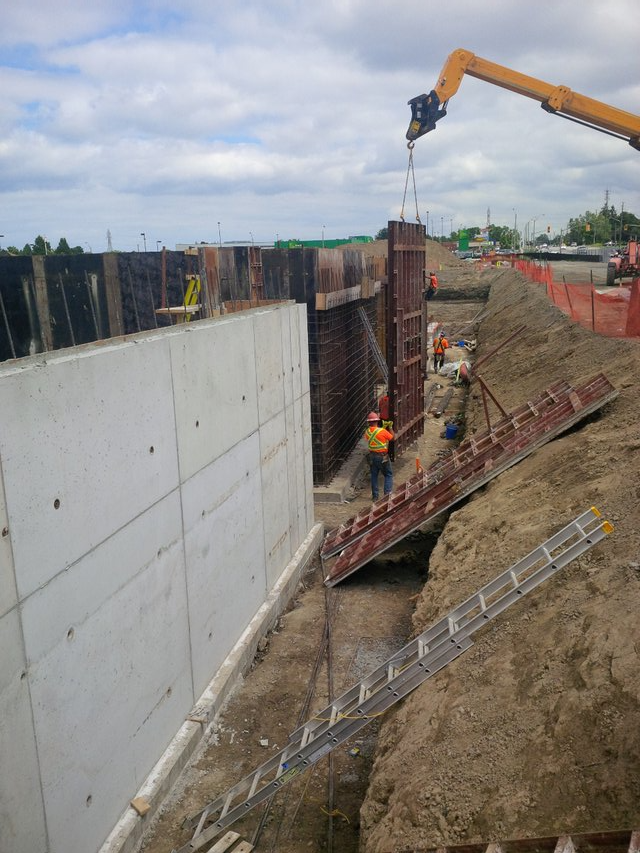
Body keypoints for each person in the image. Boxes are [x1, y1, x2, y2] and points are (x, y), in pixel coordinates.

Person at [365, 412, 394, 501]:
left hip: (372, 456)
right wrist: (390, 427)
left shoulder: (367, 432)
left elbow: (375, 436)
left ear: (369, 422)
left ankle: (375, 496)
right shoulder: (382, 431)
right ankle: (387, 495)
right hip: (382, 457)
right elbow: (392, 438)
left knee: (374, 475)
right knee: (388, 475)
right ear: (377, 421)